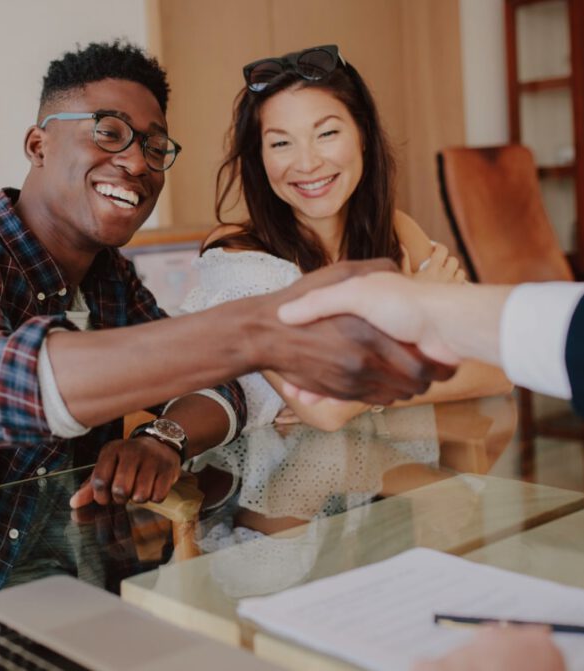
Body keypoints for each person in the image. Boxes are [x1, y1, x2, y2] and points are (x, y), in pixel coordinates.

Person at [0, 41, 454, 520]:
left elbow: (220, 387)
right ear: (39, 144)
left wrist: (164, 437)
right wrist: (251, 330)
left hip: (88, 593)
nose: (138, 162)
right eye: (109, 132)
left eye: (155, 145)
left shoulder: (114, 285)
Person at [179, 44, 510, 433]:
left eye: (327, 133)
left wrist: (364, 395)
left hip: (390, 473)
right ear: (260, 158)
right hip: (255, 485)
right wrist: (410, 319)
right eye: (281, 143)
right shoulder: (237, 254)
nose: (306, 163)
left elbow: (499, 364)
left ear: (363, 135)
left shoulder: (397, 231)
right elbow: (327, 412)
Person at [279, 272, 584, 445]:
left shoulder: (402, 231)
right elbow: (329, 412)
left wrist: (433, 310)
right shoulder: (247, 261)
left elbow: (497, 375)